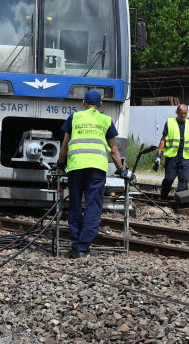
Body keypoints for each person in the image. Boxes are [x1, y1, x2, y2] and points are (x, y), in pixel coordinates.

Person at [57, 90, 128, 259]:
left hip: (75, 167)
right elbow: (114, 149)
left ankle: (75, 246)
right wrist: (121, 169)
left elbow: (65, 144)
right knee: (93, 207)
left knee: (74, 206)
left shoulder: (74, 118)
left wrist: (60, 164)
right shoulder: (106, 120)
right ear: (100, 104)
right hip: (96, 168)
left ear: (83, 103)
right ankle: (83, 247)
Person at [156, 104, 189, 200]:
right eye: (181, 113)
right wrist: (158, 154)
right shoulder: (170, 122)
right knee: (169, 179)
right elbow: (163, 140)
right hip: (172, 157)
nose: (183, 115)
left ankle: (179, 201)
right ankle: (163, 196)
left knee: (184, 181)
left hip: (185, 157)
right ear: (177, 112)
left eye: (185, 113)